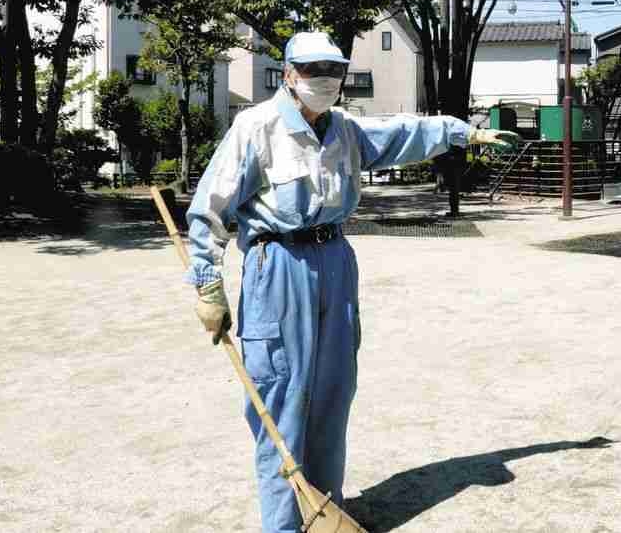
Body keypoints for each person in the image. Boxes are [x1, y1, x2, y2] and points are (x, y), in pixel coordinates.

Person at [185, 31, 518, 533]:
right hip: (279, 264)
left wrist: (462, 133)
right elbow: (209, 208)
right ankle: (284, 525)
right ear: (289, 74)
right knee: (281, 397)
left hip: (336, 261)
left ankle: (327, 513)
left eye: (333, 70)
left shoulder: (345, 130)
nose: (325, 79)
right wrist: (208, 284)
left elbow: (402, 134)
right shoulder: (256, 127)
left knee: (333, 391)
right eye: (313, 69)